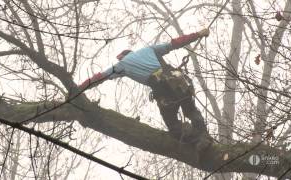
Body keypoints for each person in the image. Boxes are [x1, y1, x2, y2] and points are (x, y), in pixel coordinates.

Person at [79, 28, 210, 145]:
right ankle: (204, 137)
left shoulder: (122, 64)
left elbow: (99, 77)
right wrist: (198, 34)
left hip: (162, 88)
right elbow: (174, 43)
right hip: (178, 80)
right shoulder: (148, 49)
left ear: (123, 57)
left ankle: (195, 141)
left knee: (172, 124)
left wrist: (79, 88)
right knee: (191, 111)